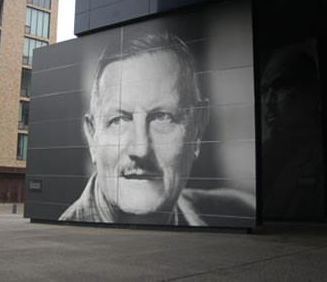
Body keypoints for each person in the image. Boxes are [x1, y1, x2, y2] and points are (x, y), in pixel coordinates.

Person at [60, 32, 255, 226]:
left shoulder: (241, 211)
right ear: (92, 137)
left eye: (162, 118)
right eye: (119, 120)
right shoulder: (63, 250)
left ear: (197, 130)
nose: (141, 149)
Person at [261, 43, 324, 219]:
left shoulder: (318, 157)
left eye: (282, 86)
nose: (268, 101)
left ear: (312, 92)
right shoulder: (264, 154)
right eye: (264, 90)